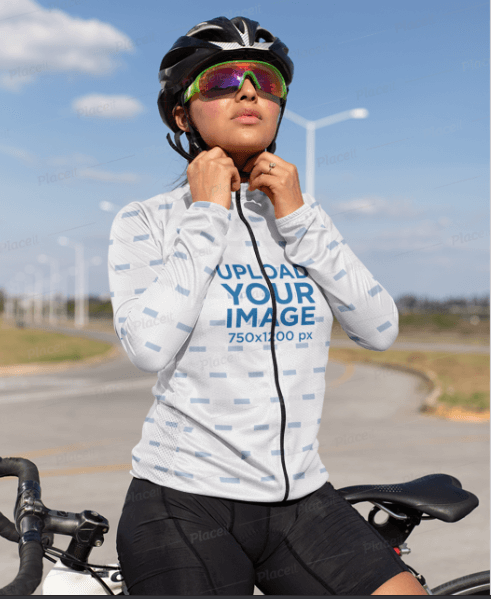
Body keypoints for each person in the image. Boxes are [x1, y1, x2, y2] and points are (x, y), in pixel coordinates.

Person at [109, 15, 427, 596]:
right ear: (181, 114)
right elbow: (148, 348)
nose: (249, 91)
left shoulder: (298, 218)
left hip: (301, 497)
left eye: (265, 80)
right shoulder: (146, 221)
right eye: (223, 80)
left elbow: (380, 329)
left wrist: (300, 216)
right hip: (184, 502)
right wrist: (205, 216)